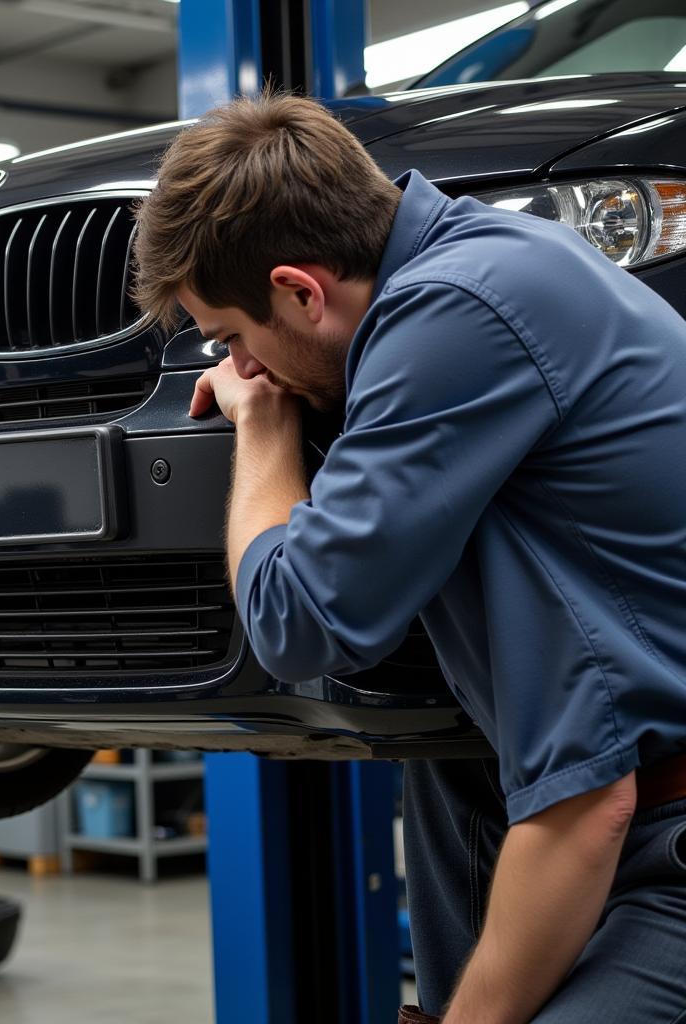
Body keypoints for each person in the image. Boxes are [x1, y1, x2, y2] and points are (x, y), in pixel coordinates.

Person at [131, 92, 686, 1024]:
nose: (233, 366)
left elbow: (298, 620)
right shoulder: (487, 260)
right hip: (536, 794)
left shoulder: (455, 310)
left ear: (301, 291)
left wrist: (262, 429)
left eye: (232, 340)